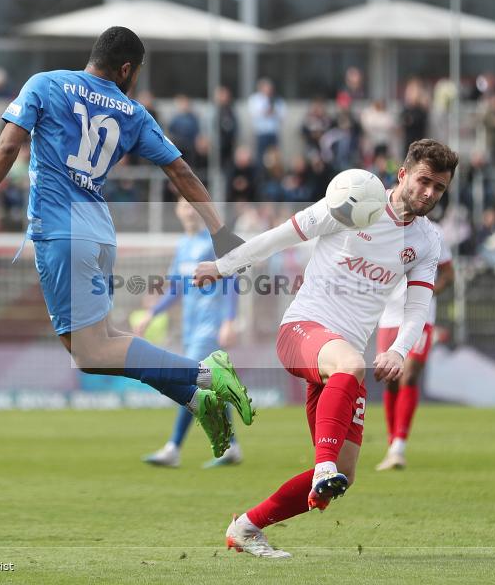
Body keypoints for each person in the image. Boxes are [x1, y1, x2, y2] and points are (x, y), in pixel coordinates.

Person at [0, 26, 253, 458]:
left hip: (62, 230)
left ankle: (203, 375)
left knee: (88, 351)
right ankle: (195, 398)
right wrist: (220, 230)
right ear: (126, 69)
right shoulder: (133, 112)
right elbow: (182, 172)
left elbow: (8, 146)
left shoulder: (45, 83)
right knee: (105, 338)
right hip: (99, 230)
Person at [194, 139, 458, 558]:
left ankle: (246, 527)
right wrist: (222, 267)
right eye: (424, 181)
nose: (429, 193)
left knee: (346, 473)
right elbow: (279, 237)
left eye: (439, 188)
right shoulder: (353, 199)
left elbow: (417, 306)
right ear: (403, 173)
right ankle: (323, 466)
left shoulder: (427, 240)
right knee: (348, 380)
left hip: (340, 362)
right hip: (302, 331)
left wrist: (400, 350)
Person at [140, 198, 243, 468]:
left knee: (192, 382)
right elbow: (176, 289)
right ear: (177, 210)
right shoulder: (183, 247)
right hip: (191, 327)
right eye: (184, 205)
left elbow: (231, 278)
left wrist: (229, 320)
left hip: (210, 326)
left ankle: (173, 447)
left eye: (194, 205)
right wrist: (152, 313)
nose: (189, 210)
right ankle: (231, 446)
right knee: (211, 385)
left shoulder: (211, 242)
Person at [375, 237, 454, 470]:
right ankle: (392, 445)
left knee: (408, 375)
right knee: (390, 379)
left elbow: (449, 274)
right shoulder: (382, 228)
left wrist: (427, 292)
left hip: (420, 318)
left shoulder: (435, 234)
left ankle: (399, 446)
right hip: (388, 318)